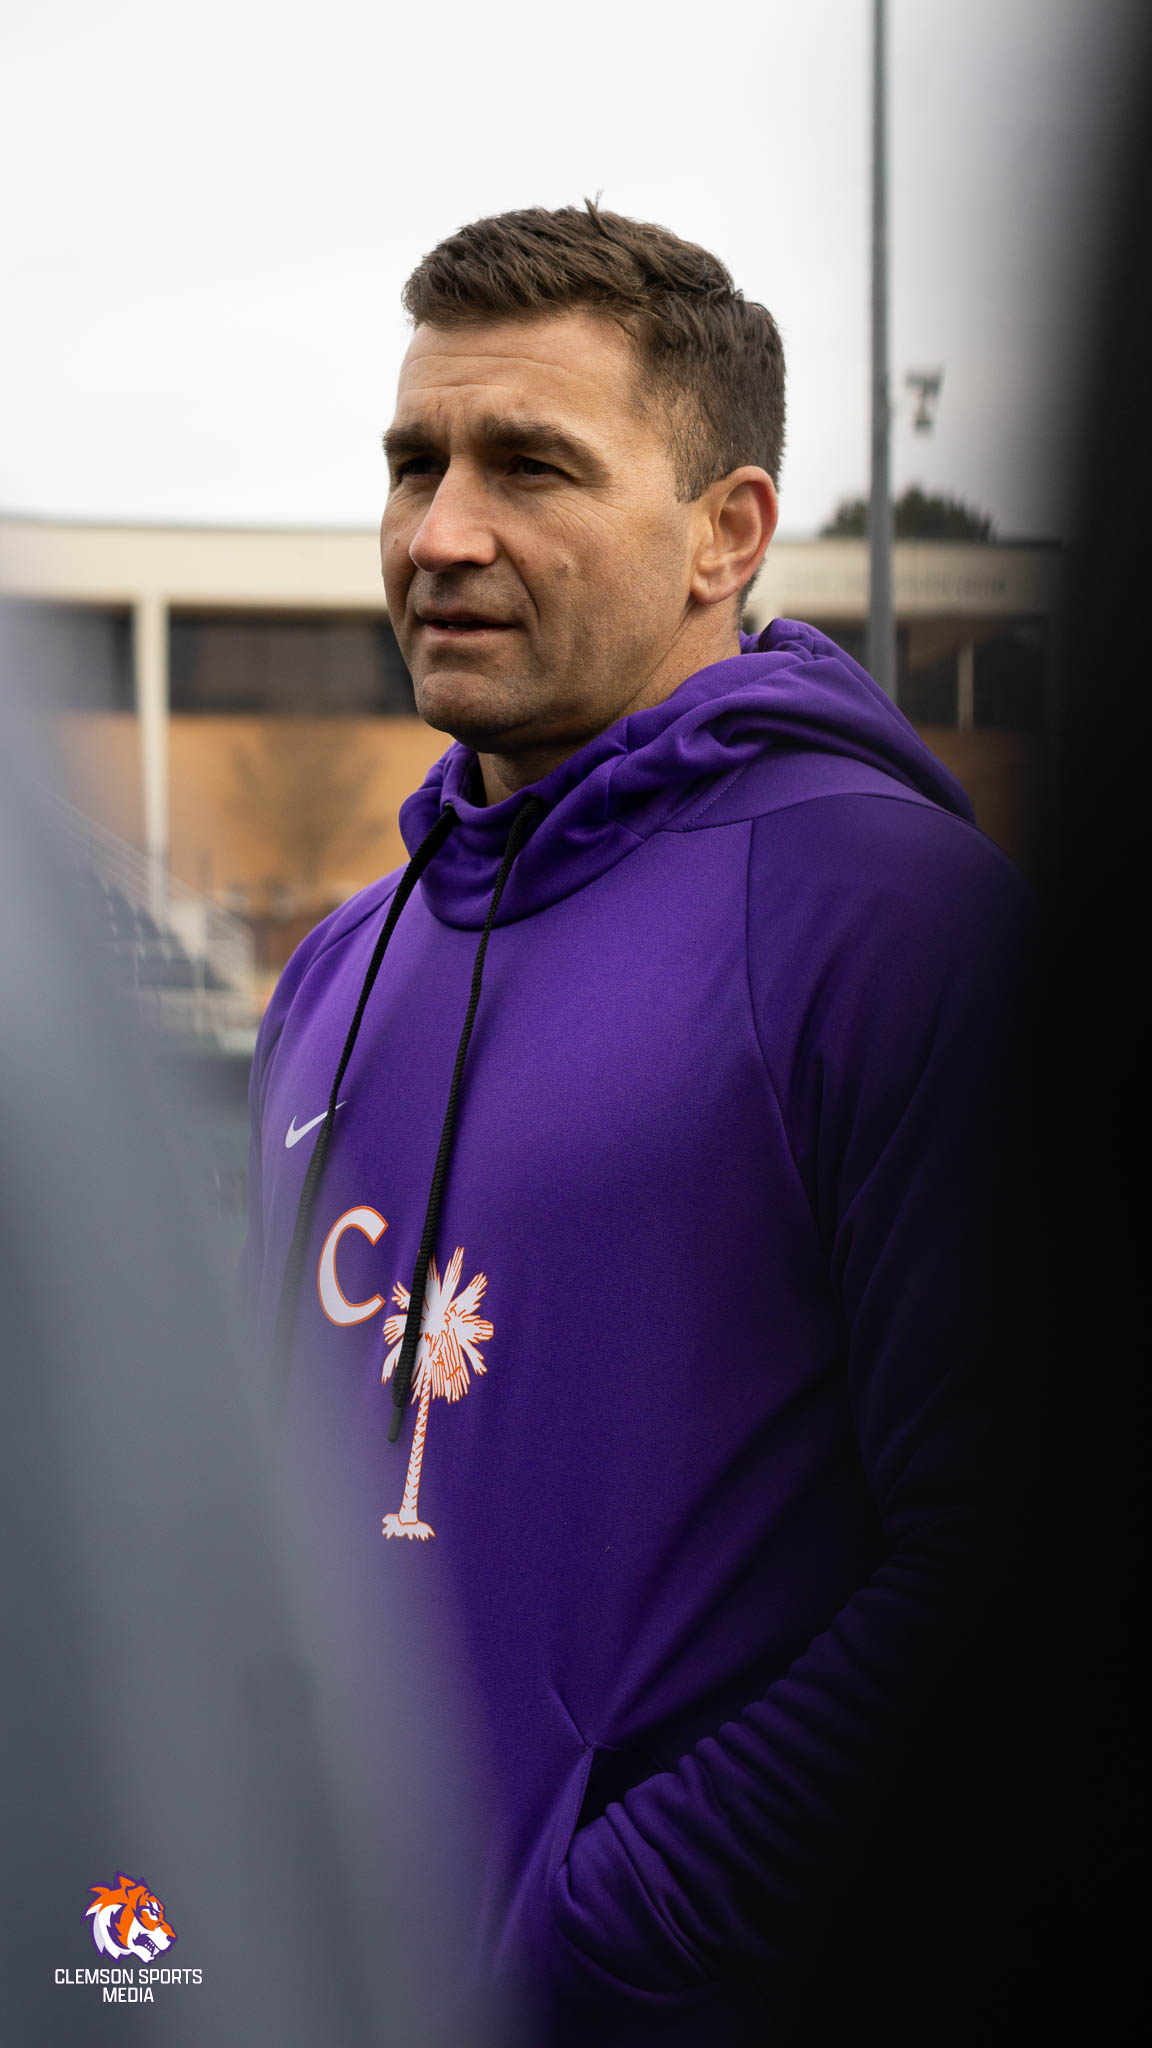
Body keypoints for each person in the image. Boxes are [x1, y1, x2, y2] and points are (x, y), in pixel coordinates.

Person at [242, 203, 1037, 2045]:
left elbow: (1018, 1563)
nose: (441, 535)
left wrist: (607, 1932)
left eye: (530, 466)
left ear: (726, 534)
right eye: (414, 465)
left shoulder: (895, 925)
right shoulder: (338, 968)